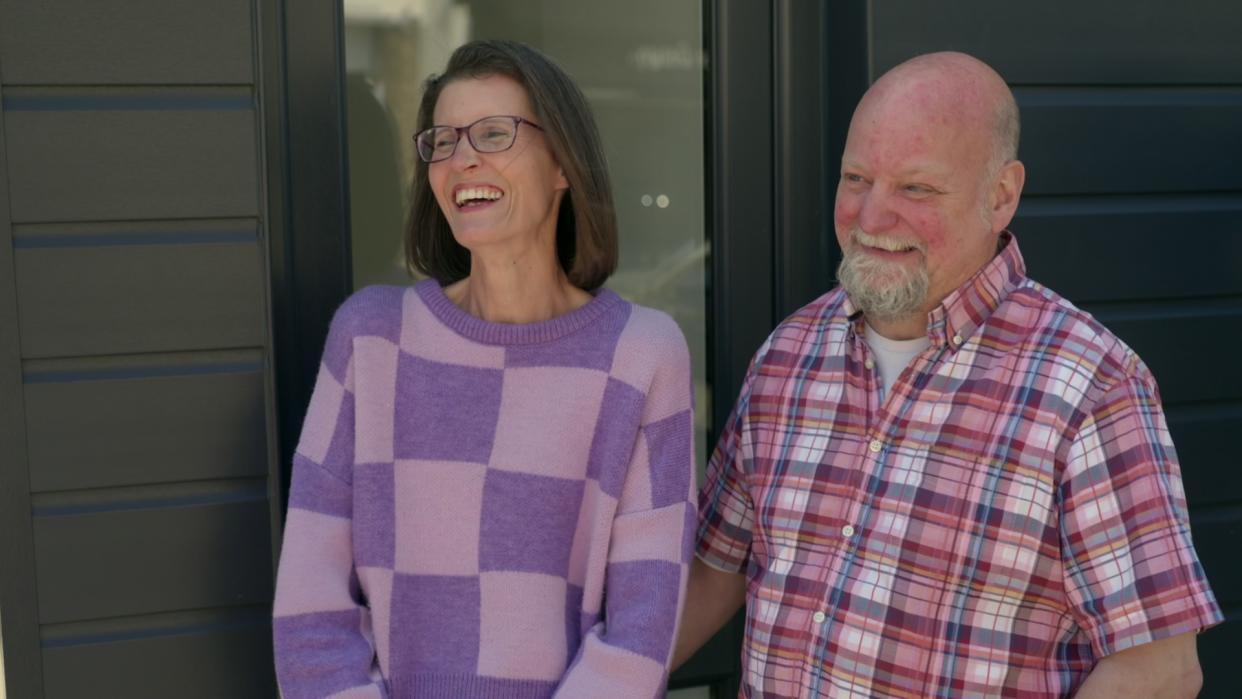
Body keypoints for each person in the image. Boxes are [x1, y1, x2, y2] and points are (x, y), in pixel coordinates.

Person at [675, 52, 1222, 698]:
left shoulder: (1089, 387)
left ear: (1001, 195)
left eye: (916, 188)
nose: (872, 218)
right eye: (856, 178)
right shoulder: (787, 357)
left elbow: (1159, 670)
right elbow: (714, 571)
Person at [273, 39, 696, 698]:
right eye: (441, 140)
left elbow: (643, 624)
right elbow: (310, 605)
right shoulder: (371, 338)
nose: (461, 157)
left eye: (493, 133)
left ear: (563, 163)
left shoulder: (642, 353)